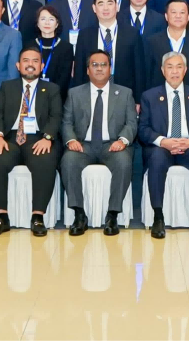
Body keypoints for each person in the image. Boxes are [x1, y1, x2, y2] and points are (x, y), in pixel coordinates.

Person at [0, 45, 64, 236]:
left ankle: (38, 217)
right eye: (26, 61)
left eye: (35, 61)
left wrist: (48, 137)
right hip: (9, 138)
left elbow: (56, 116)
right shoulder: (7, 87)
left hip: (38, 138)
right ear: (18, 65)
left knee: (45, 160)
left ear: (42, 66)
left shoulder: (51, 89)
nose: (30, 65)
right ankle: (1, 217)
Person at [60, 49, 137, 237]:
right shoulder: (75, 93)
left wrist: (122, 140)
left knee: (123, 162)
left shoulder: (125, 93)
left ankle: (112, 215)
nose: (100, 69)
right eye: (95, 65)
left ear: (110, 69)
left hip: (112, 145)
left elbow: (131, 122)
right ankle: (79, 214)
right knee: (68, 160)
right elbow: (66, 122)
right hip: (83, 145)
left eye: (104, 65)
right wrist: (71, 140)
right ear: (87, 70)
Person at [139, 51, 189, 238]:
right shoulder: (149, 96)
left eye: (179, 67)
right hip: (162, 147)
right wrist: (163, 141)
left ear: (185, 70)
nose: (174, 71)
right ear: (162, 70)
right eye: (170, 67)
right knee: (156, 159)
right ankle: (158, 217)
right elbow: (143, 129)